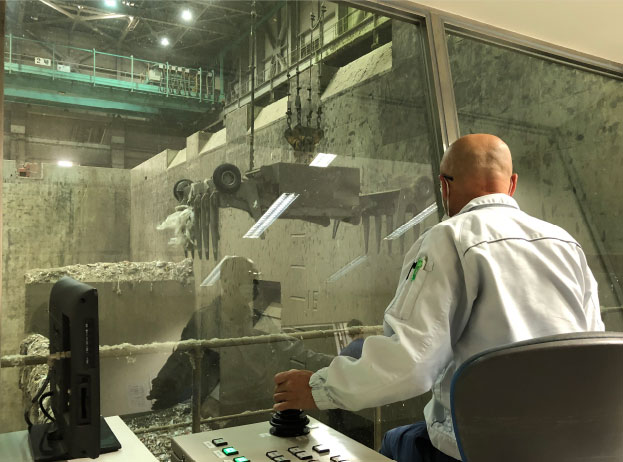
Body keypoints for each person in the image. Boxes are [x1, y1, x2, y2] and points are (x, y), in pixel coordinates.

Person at [273, 134, 605, 462]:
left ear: (444, 187)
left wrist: (318, 389)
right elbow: (592, 347)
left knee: (395, 442)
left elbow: (410, 364)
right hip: (572, 444)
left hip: (481, 447)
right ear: (512, 184)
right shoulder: (566, 244)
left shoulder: (449, 239)